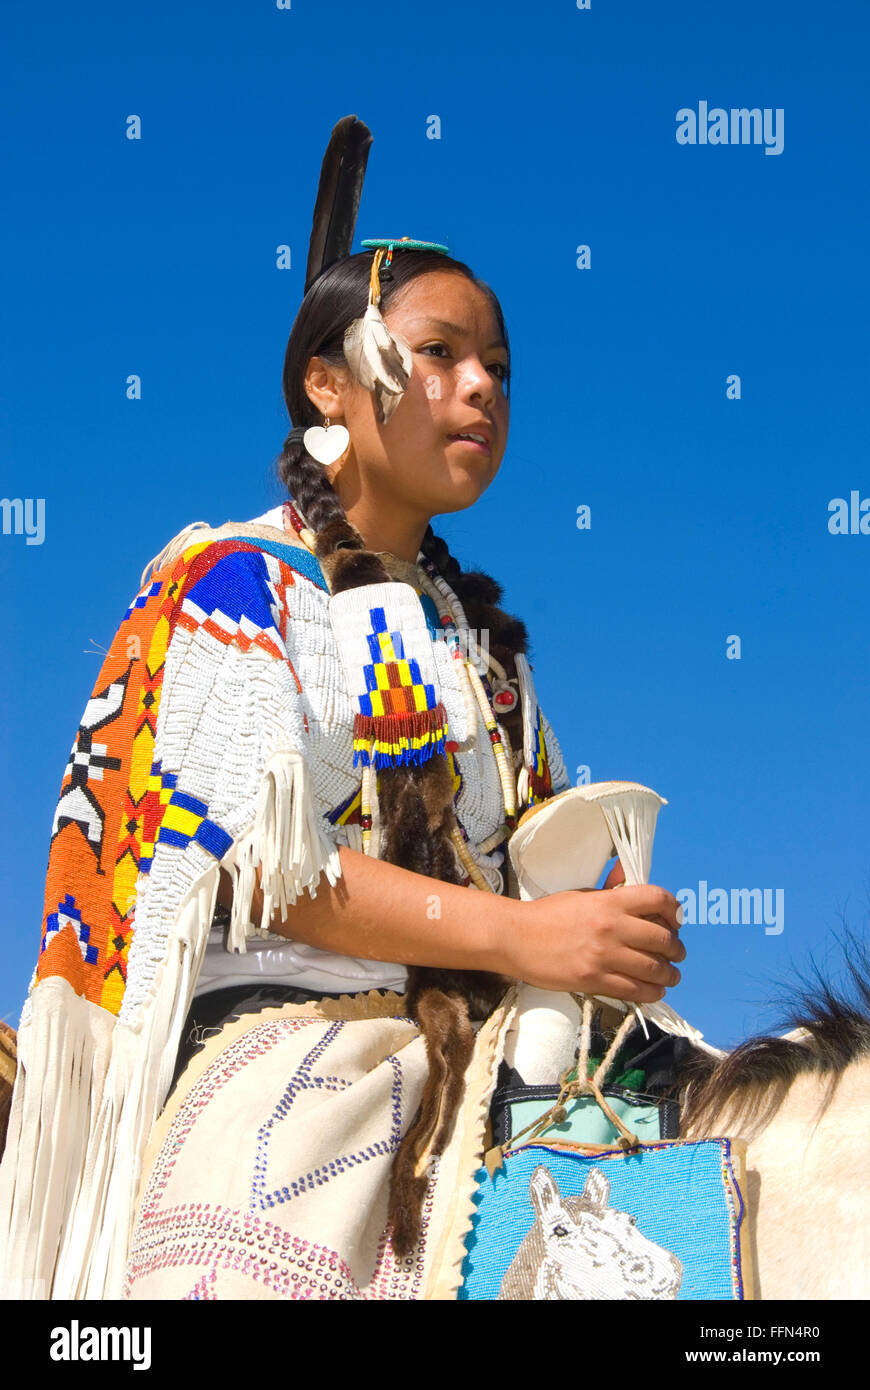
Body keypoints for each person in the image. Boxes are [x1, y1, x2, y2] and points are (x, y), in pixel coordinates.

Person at [0, 118, 685, 1301]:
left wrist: (598, 927)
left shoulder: (486, 657)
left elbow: (538, 873)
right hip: (282, 1061)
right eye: (438, 353)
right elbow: (262, 875)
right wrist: (525, 936)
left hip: (492, 1039)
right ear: (329, 381)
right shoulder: (236, 585)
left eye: (500, 369)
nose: (480, 386)